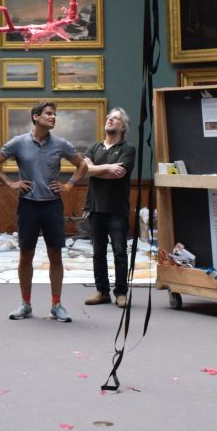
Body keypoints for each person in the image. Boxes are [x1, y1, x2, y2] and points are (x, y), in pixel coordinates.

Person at [0, 101, 88, 322]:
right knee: (26, 255)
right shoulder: (19, 143)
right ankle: (25, 304)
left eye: (54, 114)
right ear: (35, 117)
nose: (53, 117)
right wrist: (10, 184)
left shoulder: (60, 144)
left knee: (56, 256)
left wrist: (69, 185)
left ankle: (56, 304)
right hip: (28, 205)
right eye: (48, 114)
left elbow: (83, 165)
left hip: (52, 205)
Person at [82, 108, 135, 308]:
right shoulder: (94, 147)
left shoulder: (127, 149)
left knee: (120, 252)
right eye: (109, 117)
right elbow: (85, 170)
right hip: (95, 207)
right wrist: (106, 168)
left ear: (123, 127)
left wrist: (96, 170)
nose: (111, 120)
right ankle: (102, 292)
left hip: (116, 209)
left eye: (116, 118)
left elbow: (118, 174)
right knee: (98, 252)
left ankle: (121, 293)